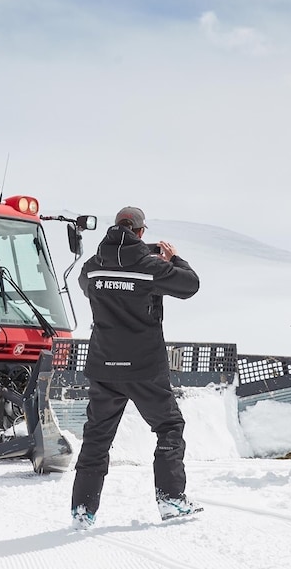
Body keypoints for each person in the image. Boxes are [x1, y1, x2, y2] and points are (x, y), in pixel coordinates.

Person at [71, 206, 202, 529]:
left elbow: (85, 285)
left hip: (103, 366)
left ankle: (83, 510)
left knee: (97, 438)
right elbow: (190, 285)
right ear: (141, 233)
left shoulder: (93, 266)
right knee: (169, 427)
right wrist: (174, 259)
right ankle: (171, 499)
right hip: (144, 367)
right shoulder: (150, 267)